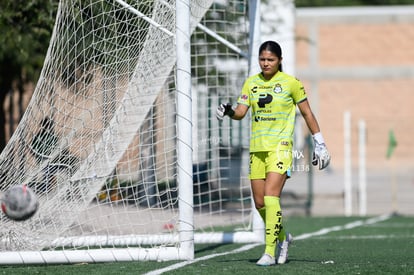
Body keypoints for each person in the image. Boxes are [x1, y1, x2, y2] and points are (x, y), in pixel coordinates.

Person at [216, 41, 330, 266]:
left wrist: (320, 143)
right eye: (262, 59)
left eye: (270, 59)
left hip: (281, 147)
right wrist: (229, 110)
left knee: (271, 196)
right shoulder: (251, 83)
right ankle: (282, 237)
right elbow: (241, 112)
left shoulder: (291, 83)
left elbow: (307, 113)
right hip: (257, 149)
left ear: (279, 60)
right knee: (260, 203)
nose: (266, 63)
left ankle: (269, 252)